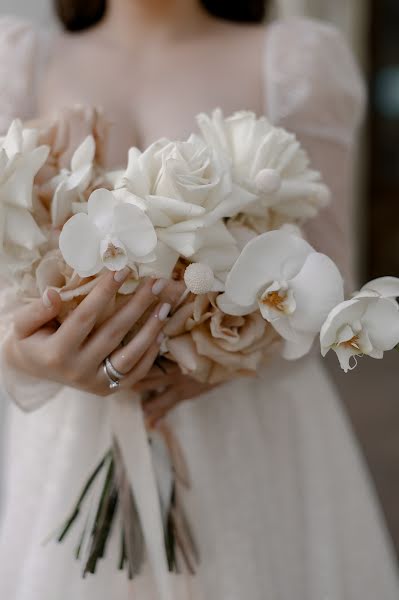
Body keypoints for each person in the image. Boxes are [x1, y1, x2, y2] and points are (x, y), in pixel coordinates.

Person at [0, 1, 398, 598]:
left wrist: (225, 352)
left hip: (245, 432)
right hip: (71, 438)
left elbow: (328, 274)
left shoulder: (296, 63)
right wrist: (26, 354)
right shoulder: (19, 61)